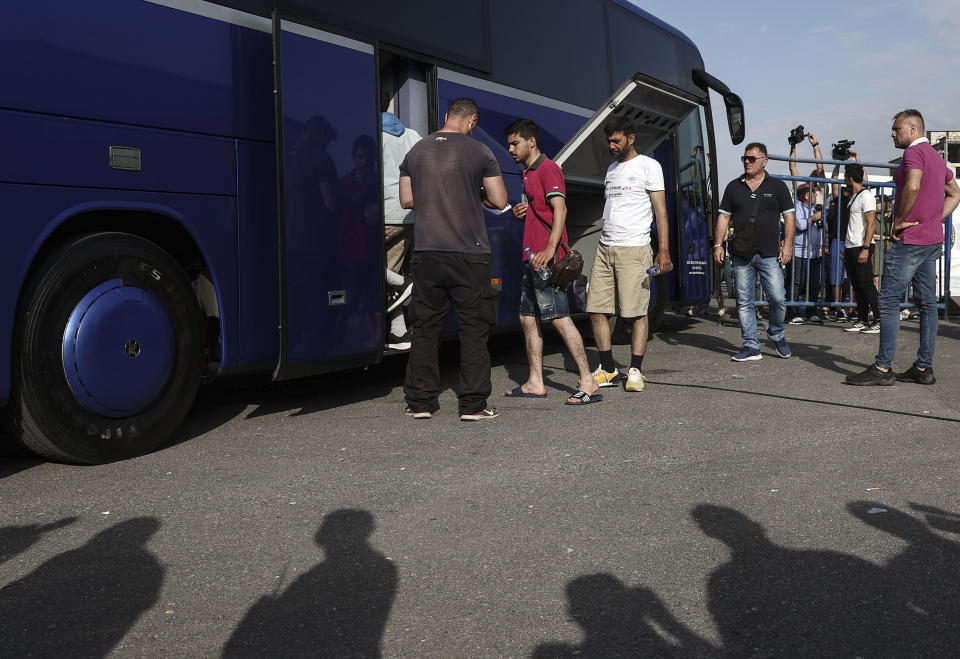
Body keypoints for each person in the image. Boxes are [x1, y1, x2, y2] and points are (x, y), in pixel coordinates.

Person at [399, 98, 507, 419]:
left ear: (446, 117)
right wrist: (473, 191)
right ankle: (473, 405)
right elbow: (500, 200)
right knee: (474, 330)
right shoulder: (480, 152)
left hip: (427, 253)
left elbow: (407, 200)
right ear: (471, 120)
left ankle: (420, 403)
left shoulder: (415, 151)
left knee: (425, 330)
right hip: (470, 255)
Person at [846, 109, 960, 385]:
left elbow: (912, 186)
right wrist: (934, 219)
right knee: (927, 304)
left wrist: (899, 221)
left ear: (913, 129)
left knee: (887, 301)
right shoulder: (935, 155)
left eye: (897, 129)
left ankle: (883, 368)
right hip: (931, 240)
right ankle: (923, 368)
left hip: (911, 241)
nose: (893, 134)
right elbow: (955, 194)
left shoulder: (913, 154)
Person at [501, 119, 601, 405]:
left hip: (546, 259)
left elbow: (561, 209)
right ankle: (535, 381)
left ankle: (587, 381)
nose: (510, 149)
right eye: (509, 143)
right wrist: (526, 211)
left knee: (559, 318)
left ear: (531, 142)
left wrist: (549, 248)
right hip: (532, 257)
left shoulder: (548, 169)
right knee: (527, 318)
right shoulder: (529, 173)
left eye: (515, 143)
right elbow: (543, 209)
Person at [586, 116, 672, 393]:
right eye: (608, 140)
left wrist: (664, 251)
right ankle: (608, 368)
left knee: (636, 314)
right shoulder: (611, 169)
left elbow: (661, 211)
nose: (611, 145)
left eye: (616, 140)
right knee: (597, 309)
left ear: (631, 138)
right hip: (605, 247)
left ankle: (635, 370)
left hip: (634, 248)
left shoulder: (649, 166)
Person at [713, 143, 796, 361]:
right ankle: (751, 345)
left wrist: (787, 245)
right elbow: (722, 217)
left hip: (770, 254)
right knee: (744, 302)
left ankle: (776, 334)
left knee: (778, 299)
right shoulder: (733, 186)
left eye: (752, 158)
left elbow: (789, 217)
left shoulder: (778, 186)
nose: (747, 162)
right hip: (741, 253)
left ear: (764, 161)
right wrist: (718, 244)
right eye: (745, 158)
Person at [381, 96, 422, 349]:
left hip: (384, 213)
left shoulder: (372, 133)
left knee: (352, 256)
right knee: (389, 274)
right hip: (409, 214)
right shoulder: (413, 135)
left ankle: (405, 284)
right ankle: (399, 334)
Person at [839, 163, 881, 334]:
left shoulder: (866, 196)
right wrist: (846, 248)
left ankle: (879, 319)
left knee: (866, 284)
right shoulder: (854, 197)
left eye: (845, 176)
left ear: (850, 178)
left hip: (861, 246)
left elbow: (871, 224)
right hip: (851, 246)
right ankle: (863, 319)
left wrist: (865, 248)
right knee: (857, 285)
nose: (844, 179)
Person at [786, 183, 824, 324]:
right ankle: (793, 313)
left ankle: (811, 312)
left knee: (813, 284)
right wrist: (814, 218)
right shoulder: (797, 207)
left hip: (813, 253)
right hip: (798, 251)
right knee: (796, 283)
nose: (816, 196)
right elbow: (801, 225)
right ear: (806, 195)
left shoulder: (814, 208)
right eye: (814, 194)